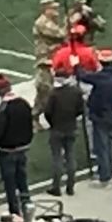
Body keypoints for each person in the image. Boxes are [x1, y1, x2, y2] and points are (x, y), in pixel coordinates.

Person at [0, 72, 33, 215]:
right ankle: (28, 207)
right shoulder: (24, 103)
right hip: (23, 147)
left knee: (10, 184)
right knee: (22, 180)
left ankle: (15, 213)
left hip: (7, 151)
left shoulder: (2, 109)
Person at [78, 47, 112, 184]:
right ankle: (105, 170)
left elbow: (83, 76)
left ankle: (105, 175)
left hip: (101, 116)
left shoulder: (101, 77)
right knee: (107, 144)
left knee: (102, 145)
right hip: (111, 114)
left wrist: (76, 65)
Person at [44, 66, 84, 197]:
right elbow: (80, 109)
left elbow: (48, 112)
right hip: (71, 127)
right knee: (70, 156)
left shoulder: (54, 94)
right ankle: (70, 186)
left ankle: (56, 186)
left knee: (57, 158)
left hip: (57, 128)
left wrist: (53, 123)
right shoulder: (76, 91)